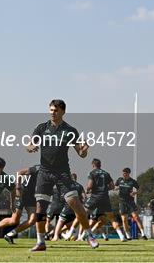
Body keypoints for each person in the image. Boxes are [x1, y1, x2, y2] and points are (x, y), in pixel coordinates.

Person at [26, 99, 97, 251]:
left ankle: (89, 235)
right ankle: (40, 242)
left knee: (74, 202)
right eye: (51, 110)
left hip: (62, 172)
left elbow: (81, 153)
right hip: (44, 172)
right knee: (40, 207)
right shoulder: (41, 127)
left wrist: (84, 150)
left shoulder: (70, 130)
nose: (53, 113)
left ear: (63, 112)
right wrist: (31, 147)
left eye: (56, 110)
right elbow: (30, 144)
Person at [0, 165, 40, 245]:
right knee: (14, 220)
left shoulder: (56, 172)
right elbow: (19, 172)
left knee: (32, 220)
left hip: (32, 197)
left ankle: (9, 235)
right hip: (22, 194)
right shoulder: (38, 168)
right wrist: (18, 187)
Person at [83, 158, 127, 242]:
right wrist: (104, 189)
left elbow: (89, 186)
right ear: (100, 165)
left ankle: (86, 233)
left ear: (93, 165)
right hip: (105, 198)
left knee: (83, 213)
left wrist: (88, 190)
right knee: (112, 219)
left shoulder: (92, 173)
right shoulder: (106, 173)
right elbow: (112, 186)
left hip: (95, 197)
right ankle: (121, 236)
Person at [115, 167, 147, 240]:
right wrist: (116, 188)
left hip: (130, 201)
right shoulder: (119, 180)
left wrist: (135, 192)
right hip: (122, 201)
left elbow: (140, 189)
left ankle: (143, 234)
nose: (123, 175)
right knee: (124, 219)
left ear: (128, 173)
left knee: (135, 217)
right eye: (123, 173)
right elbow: (115, 187)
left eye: (125, 173)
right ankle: (128, 235)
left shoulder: (132, 181)